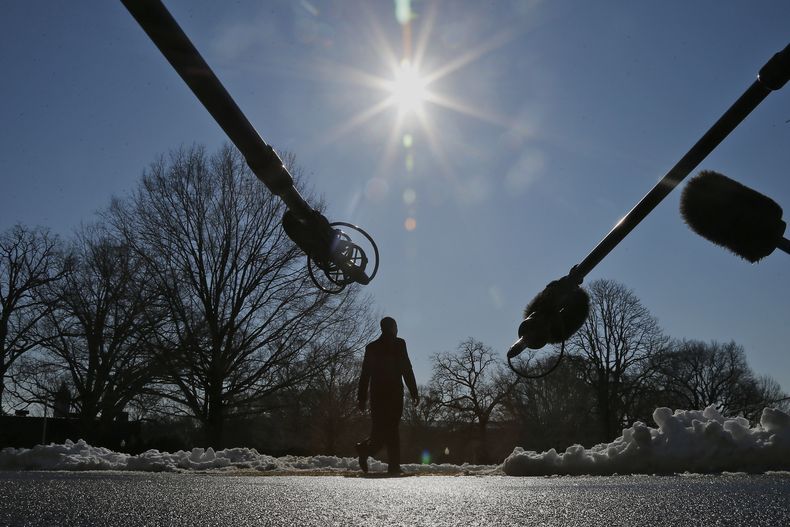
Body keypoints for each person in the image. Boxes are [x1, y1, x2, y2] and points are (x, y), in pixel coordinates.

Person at [356, 316, 419, 474]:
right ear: (392, 328)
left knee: (380, 430)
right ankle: (391, 465)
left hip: (377, 395)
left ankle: (368, 451)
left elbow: (365, 374)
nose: (397, 330)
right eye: (396, 327)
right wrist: (414, 391)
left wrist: (362, 398)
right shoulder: (399, 344)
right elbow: (406, 368)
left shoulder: (372, 347)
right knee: (391, 429)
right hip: (393, 395)